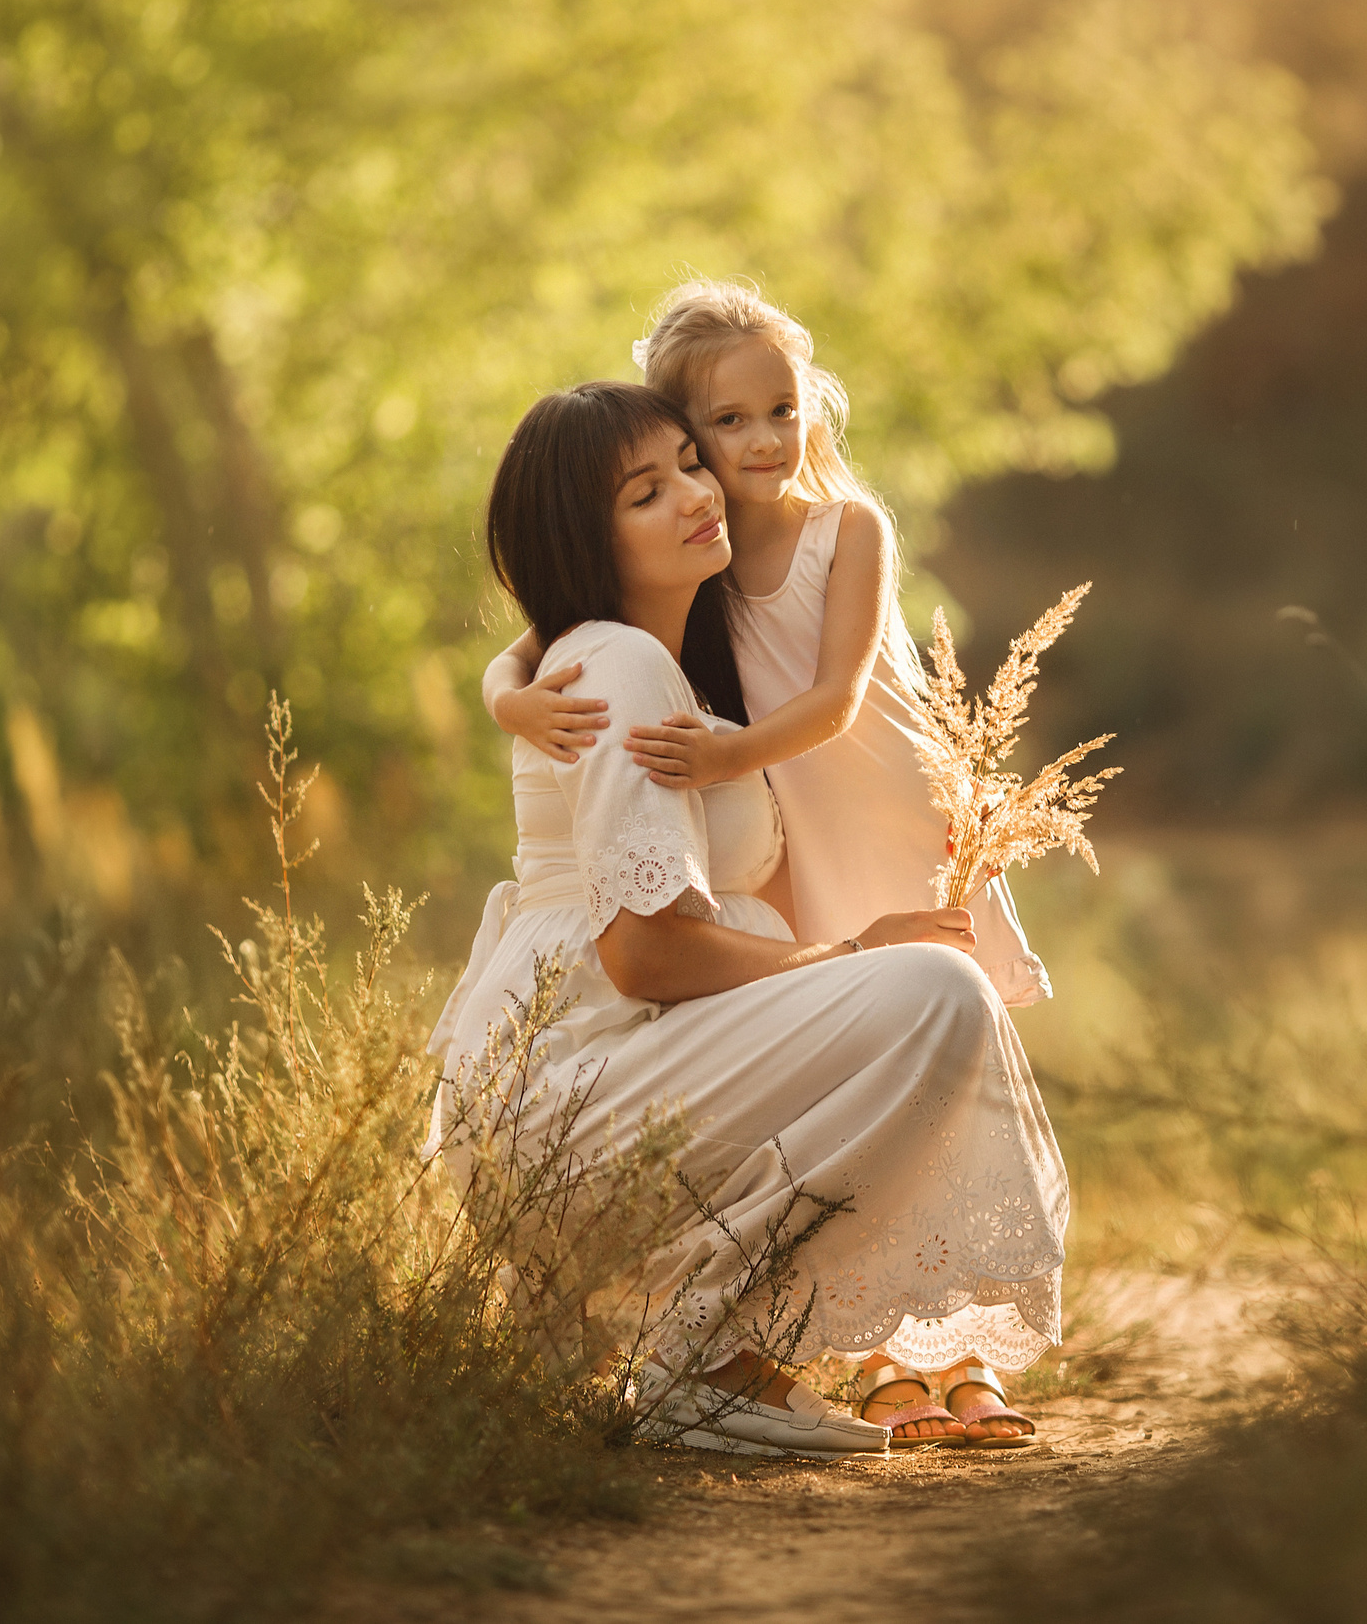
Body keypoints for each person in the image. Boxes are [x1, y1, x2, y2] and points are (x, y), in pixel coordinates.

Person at [431, 381, 1067, 1456]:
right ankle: (693, 1349)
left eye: (691, 461)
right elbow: (643, 952)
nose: (695, 493)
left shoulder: (653, 670)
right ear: (582, 539)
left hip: (603, 1067)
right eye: (646, 491)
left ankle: (717, 1342)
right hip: (568, 1084)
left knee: (919, 990)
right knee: (930, 991)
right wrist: (855, 953)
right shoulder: (618, 665)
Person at [482, 282, 1050, 1012]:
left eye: (783, 411)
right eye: (730, 420)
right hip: (794, 807)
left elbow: (838, 700)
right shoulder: (691, 555)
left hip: (881, 788)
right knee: (845, 982)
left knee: (943, 984)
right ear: (683, 428)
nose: (764, 439)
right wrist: (512, 706)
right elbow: (522, 651)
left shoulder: (846, 529)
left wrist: (723, 758)